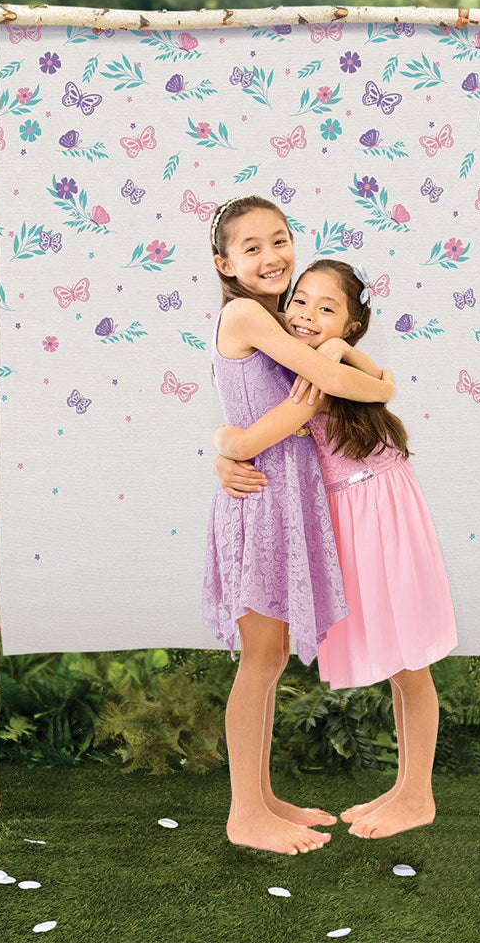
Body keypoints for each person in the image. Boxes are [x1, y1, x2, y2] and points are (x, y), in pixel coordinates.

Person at [212, 258, 458, 840]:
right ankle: (404, 790)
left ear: (350, 323)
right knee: (396, 656)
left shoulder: (318, 375)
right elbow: (379, 382)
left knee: (406, 658)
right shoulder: (293, 353)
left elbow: (261, 432)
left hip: (378, 508)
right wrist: (222, 445)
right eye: (301, 302)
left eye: (327, 310)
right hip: (346, 512)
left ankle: (417, 795)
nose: (307, 316)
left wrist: (227, 444)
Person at [202, 196, 397, 856]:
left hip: (283, 492)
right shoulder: (244, 313)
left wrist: (231, 440)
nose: (271, 256)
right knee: (260, 658)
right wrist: (233, 444)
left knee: (275, 654)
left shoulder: (275, 321)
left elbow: (299, 397)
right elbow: (326, 388)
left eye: (279, 240)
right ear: (225, 263)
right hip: (261, 497)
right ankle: (243, 814)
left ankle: (262, 798)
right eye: (250, 247)